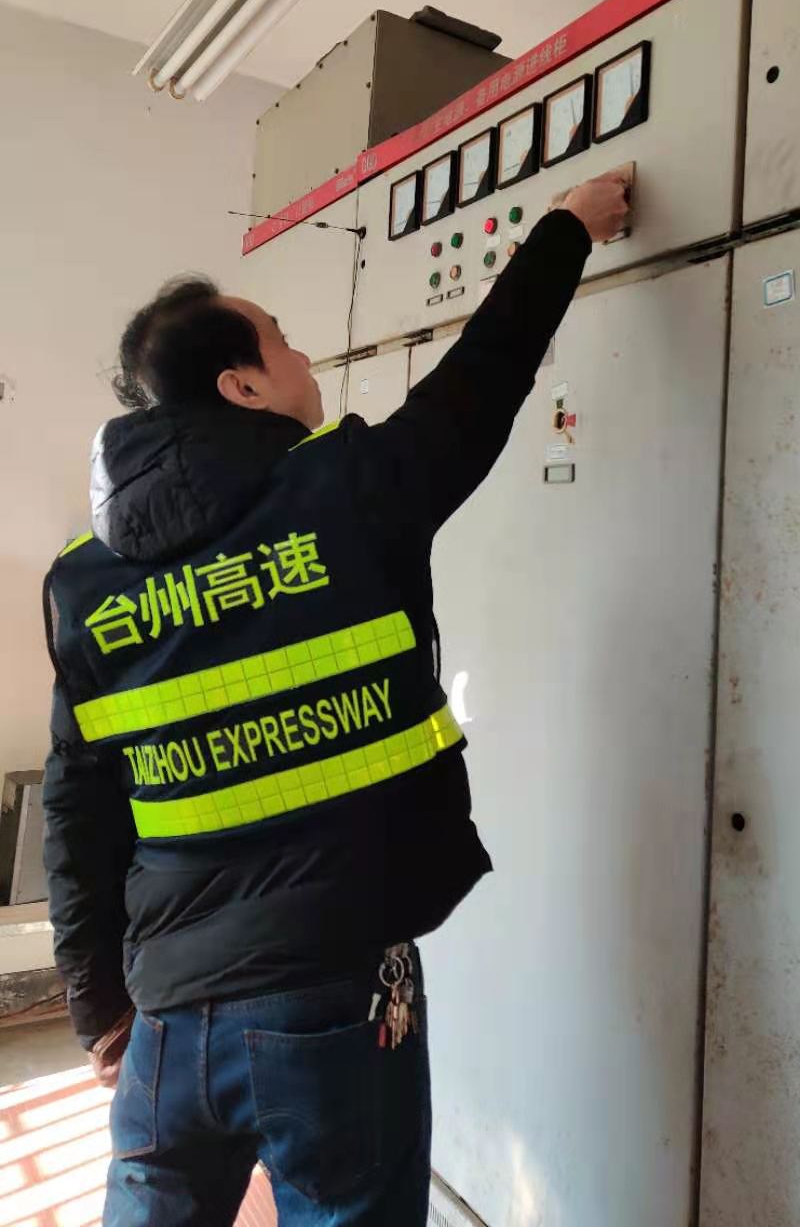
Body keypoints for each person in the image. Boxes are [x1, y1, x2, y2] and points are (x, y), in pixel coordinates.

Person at [41, 171, 630, 1227]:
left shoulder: (82, 582)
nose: (307, 357)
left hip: (166, 1010)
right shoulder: (346, 492)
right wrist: (567, 227)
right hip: (330, 993)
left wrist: (98, 1009)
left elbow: (76, 811)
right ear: (241, 387)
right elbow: (479, 382)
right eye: (283, 341)